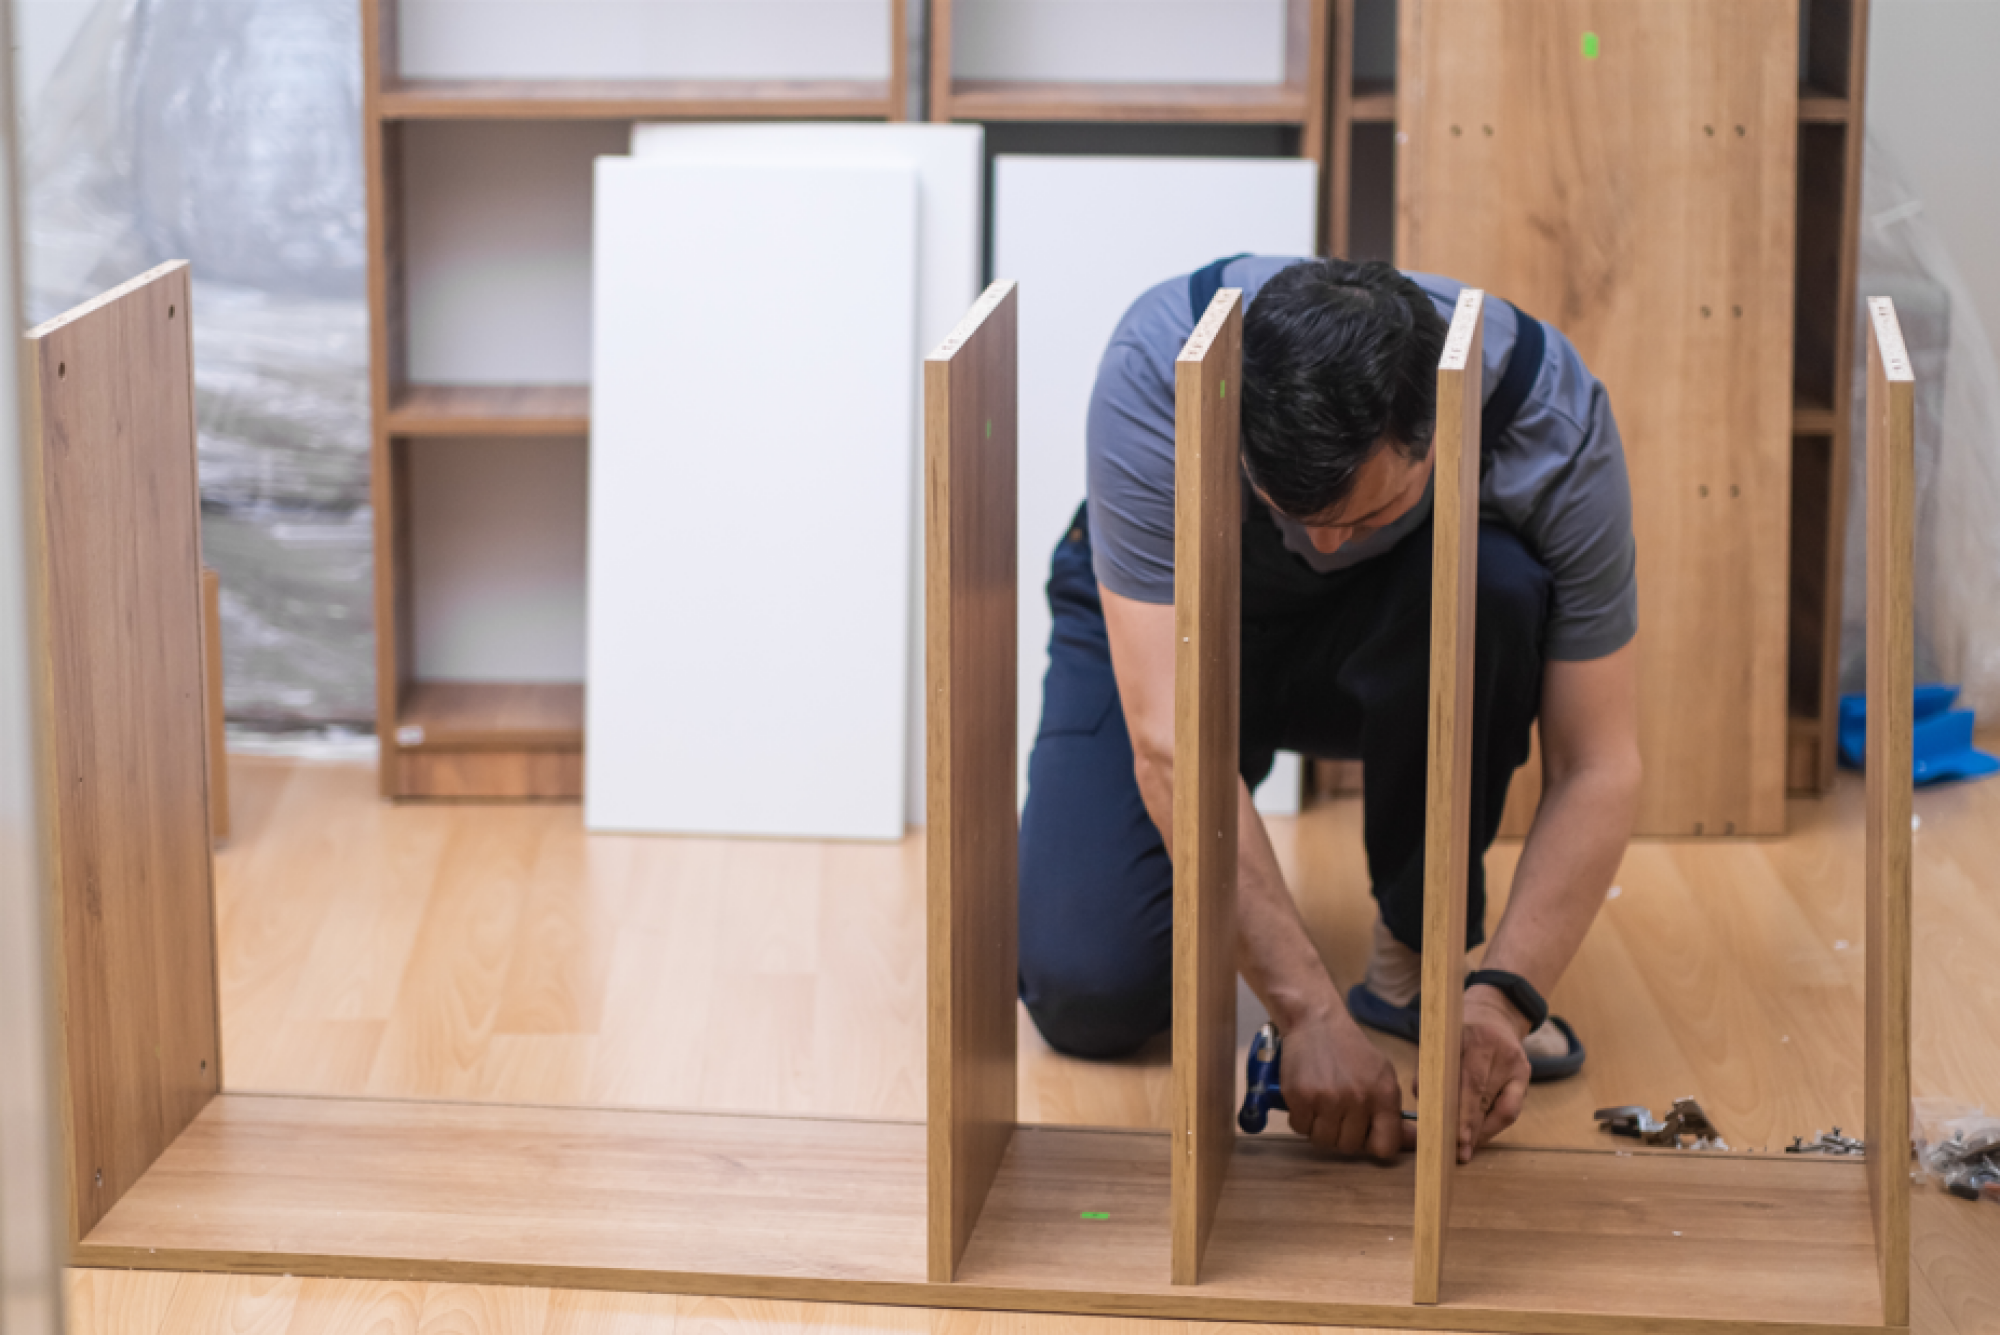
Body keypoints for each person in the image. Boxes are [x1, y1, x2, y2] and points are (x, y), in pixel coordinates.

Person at [1017, 256, 1642, 1164]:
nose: (1322, 545)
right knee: (1088, 995)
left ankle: (1414, 957)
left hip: (1384, 642)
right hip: (1179, 635)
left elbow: (1600, 762)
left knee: (1494, 586)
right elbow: (1170, 738)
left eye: (1365, 512)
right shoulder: (1160, 369)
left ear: (1437, 431)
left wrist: (1506, 995)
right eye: (1290, 509)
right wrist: (1303, 1008)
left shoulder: (1552, 424)